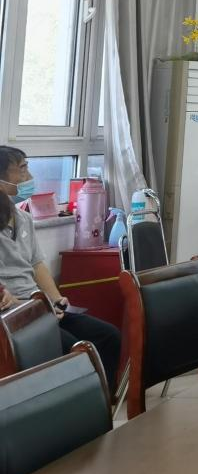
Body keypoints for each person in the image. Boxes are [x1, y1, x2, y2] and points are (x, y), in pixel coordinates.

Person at [0, 147, 122, 390]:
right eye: (22, 170)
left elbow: (36, 264)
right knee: (75, 352)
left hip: (39, 306)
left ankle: (102, 404)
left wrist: (56, 300)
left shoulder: (23, 217)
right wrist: (35, 306)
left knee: (108, 336)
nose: (29, 177)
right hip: (14, 315)